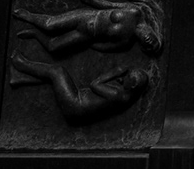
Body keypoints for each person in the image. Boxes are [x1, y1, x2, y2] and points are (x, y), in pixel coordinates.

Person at [8, 53, 149, 123]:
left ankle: (22, 64)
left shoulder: (117, 94)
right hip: (77, 102)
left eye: (127, 77)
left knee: (57, 71)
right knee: (57, 80)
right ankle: (19, 78)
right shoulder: (128, 95)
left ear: (134, 85)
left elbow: (95, 84)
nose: (123, 77)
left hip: (74, 104)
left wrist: (115, 72)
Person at [14, 0, 163, 57]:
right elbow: (109, 5)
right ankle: (28, 15)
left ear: (143, 47)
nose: (151, 42)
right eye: (155, 41)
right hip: (86, 17)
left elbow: (105, 47)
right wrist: (92, 0)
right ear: (153, 32)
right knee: (50, 25)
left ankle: (34, 34)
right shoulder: (134, 12)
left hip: (86, 35)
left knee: (54, 47)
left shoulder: (126, 42)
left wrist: (89, 44)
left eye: (150, 46)